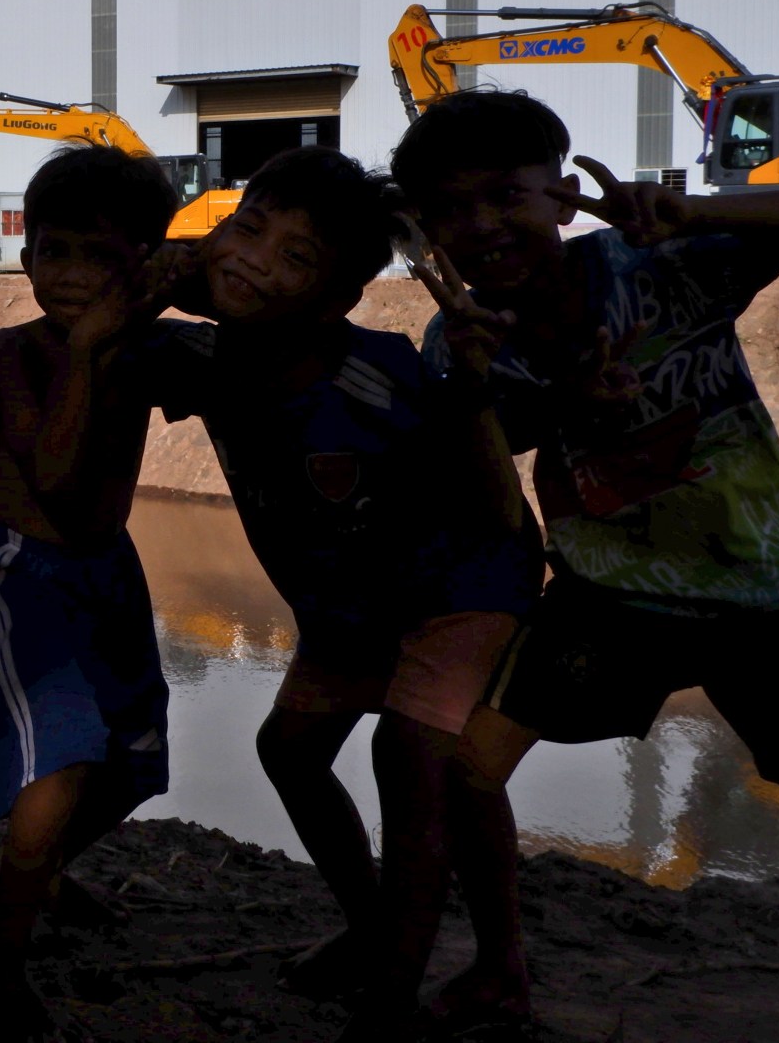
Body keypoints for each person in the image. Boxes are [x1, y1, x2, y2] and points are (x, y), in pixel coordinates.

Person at [391, 90, 779, 1043]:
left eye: (503, 195)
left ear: (564, 198)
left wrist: (704, 208)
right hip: (608, 595)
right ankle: (500, 970)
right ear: (429, 233)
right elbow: (492, 504)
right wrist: (498, 393)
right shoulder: (460, 342)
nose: (479, 225)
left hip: (770, 589)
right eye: (450, 209)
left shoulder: (663, 262)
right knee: (469, 773)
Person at [166, 147, 541, 1036]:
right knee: (292, 752)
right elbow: (122, 316)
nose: (258, 259)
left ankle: (392, 989)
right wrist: (169, 276)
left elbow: (495, 505)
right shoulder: (200, 359)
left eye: (297, 258)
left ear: (336, 300)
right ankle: (377, 928)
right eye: (247, 229)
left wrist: (477, 386)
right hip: (353, 607)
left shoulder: (380, 377)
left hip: (460, 585)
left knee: (416, 769)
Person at [0, 145, 187, 1042]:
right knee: (60, 769)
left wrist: (184, 286)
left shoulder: (156, 345)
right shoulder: (11, 354)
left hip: (107, 571)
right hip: (21, 577)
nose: (75, 276)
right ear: (26, 255)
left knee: (133, 762)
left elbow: (241, 370)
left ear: (141, 265)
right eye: (57, 253)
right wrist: (87, 352)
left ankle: (42, 872)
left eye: (104, 258)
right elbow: (50, 471)